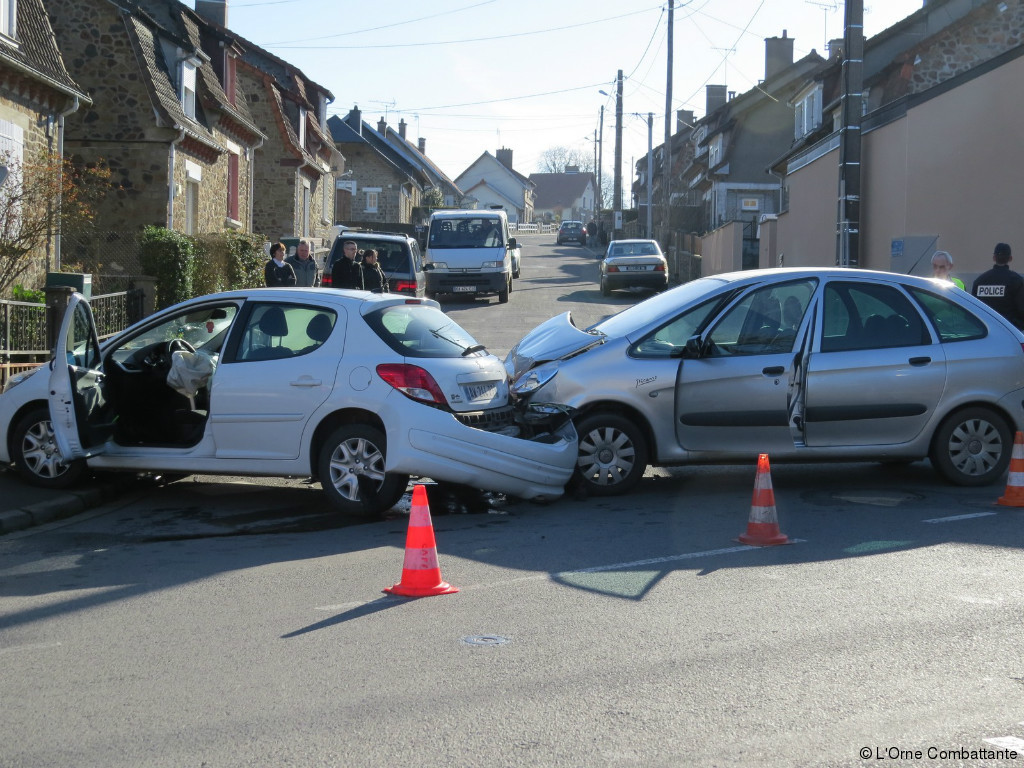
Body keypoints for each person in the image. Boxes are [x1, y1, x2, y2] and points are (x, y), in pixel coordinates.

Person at [972, 242, 1024, 329]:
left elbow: (973, 308)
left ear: (994, 258)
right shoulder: (1016, 280)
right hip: (1010, 330)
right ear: (1010, 258)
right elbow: (1022, 309)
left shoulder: (980, 281)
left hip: (984, 329)